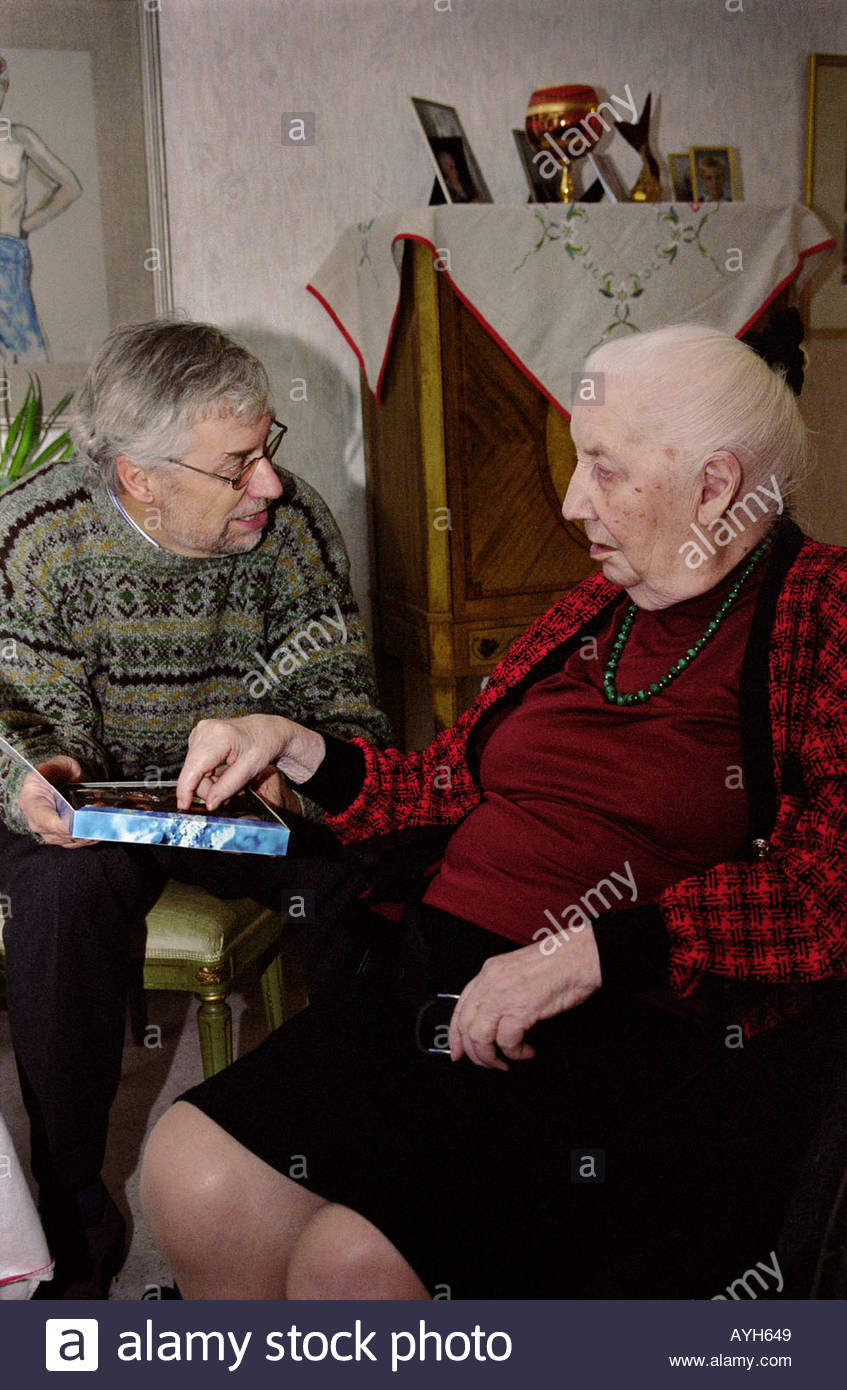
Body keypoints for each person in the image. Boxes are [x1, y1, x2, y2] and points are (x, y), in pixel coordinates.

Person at [140, 323, 847, 1300]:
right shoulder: (589, 608)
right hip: (432, 970)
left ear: (716, 485)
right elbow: (437, 788)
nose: (568, 502)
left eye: (600, 468)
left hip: (620, 1025)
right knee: (188, 1168)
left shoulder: (824, 611)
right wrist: (292, 743)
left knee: (351, 1267)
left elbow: (824, 891)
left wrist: (592, 950)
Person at [0, 319, 390, 1297]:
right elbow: (17, 720)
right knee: (65, 889)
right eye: (238, 463)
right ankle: (72, 1195)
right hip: (98, 806)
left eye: (269, 448)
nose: (269, 481)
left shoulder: (288, 524)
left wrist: (285, 759)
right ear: (141, 476)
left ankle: (358, 1153)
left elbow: (347, 712)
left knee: (376, 861)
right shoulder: (34, 530)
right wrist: (39, 775)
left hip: (239, 791)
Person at [0, 54, 82, 361]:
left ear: (4, 87)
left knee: (29, 355)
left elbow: (71, 187)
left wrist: (27, 224)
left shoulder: (18, 138)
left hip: (5, 255)